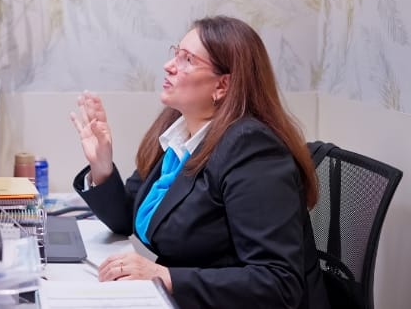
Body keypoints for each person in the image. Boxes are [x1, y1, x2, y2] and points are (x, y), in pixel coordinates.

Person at [70, 16, 329, 309]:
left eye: (188, 59)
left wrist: (165, 277)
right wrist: (102, 168)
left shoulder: (252, 149)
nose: (169, 66)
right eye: (175, 53)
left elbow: (278, 283)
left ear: (222, 85)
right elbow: (127, 217)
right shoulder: (180, 134)